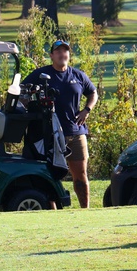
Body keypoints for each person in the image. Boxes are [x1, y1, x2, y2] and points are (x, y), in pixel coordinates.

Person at [23, 40, 98, 208]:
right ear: (51, 56)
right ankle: (53, 213)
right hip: (51, 135)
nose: (62, 54)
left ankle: (85, 211)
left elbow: (93, 92)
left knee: (81, 176)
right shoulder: (40, 74)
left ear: (69, 55)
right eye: (58, 51)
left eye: (65, 51)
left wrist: (87, 109)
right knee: (50, 176)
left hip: (76, 132)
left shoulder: (78, 75)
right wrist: (30, 100)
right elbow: (22, 92)